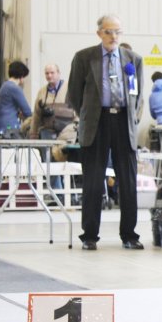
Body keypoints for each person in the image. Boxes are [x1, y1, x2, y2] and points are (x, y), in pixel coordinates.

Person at [67, 14, 144, 251]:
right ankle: (89, 235)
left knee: (128, 181)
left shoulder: (134, 59)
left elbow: (138, 95)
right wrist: (88, 114)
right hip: (96, 122)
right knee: (93, 181)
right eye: (109, 31)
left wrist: (132, 118)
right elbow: (74, 94)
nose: (113, 36)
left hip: (123, 121)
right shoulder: (84, 57)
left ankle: (129, 235)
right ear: (99, 32)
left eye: (117, 32)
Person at [30, 64, 77, 140]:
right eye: (47, 73)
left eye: (52, 73)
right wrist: (33, 133)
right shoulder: (42, 92)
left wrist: (76, 128)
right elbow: (36, 115)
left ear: (58, 73)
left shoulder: (69, 88)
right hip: (47, 133)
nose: (49, 75)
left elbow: (78, 110)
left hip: (67, 132)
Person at [0, 61, 32, 137]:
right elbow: (27, 111)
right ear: (21, 76)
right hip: (10, 127)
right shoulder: (15, 88)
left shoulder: (5, 85)